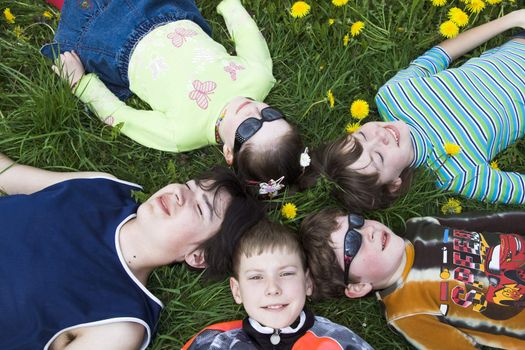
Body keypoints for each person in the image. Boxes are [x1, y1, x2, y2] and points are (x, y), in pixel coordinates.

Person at [0, 152, 264, 350]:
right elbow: (10, 175)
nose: (178, 193)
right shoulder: (103, 188)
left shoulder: (121, 323)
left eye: (199, 208)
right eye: (189, 185)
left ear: (198, 256)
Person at [42, 0, 304, 187]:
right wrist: (230, 5)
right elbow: (248, 35)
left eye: (248, 129)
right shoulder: (258, 78)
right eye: (271, 114)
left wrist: (81, 84)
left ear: (228, 153)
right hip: (165, 10)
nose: (253, 111)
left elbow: (121, 117)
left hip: (116, 44)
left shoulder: (182, 134)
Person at [302, 10, 525, 211]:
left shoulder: (394, 95)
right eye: (378, 156)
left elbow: (441, 54)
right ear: (394, 184)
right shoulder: (457, 174)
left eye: (360, 135)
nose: (379, 136)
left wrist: (511, 19)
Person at [300, 208, 525, 349]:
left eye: (357, 221)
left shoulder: (420, 227)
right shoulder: (406, 311)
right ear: (358, 287)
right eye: (353, 244)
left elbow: (485, 222)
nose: (367, 231)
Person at [183, 219, 373, 349]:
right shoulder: (213, 342)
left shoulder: (340, 341)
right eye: (256, 277)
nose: (273, 288)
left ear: (307, 283)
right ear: (237, 290)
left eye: (286, 273)